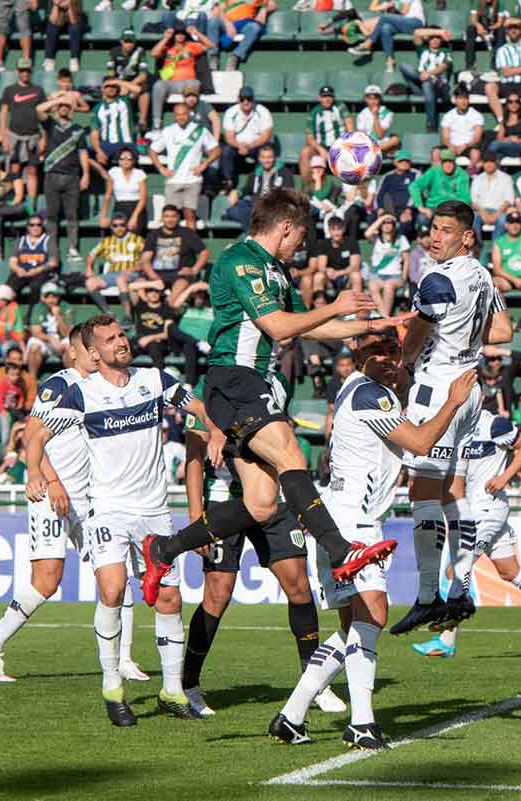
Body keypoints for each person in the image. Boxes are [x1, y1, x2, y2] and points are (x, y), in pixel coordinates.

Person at [142, 188, 406, 615]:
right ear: (286, 227)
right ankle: (341, 552)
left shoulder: (277, 272)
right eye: (301, 236)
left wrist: (374, 323)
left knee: (261, 503)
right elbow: (279, 327)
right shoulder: (240, 261)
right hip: (235, 378)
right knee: (291, 455)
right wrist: (334, 304)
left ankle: (163, 548)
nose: (303, 245)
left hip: (256, 384)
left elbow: (309, 327)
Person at [270, 334, 476, 749]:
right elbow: (419, 443)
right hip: (352, 521)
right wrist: (453, 401)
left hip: (342, 514)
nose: (384, 360)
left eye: (391, 353)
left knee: (353, 625)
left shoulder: (358, 388)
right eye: (373, 353)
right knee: (373, 614)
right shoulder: (371, 396)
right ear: (359, 356)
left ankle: (292, 716)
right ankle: (361, 723)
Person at [0, 328, 149, 685]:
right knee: (46, 582)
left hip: (90, 500)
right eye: (90, 351)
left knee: (116, 576)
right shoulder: (59, 385)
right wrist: (48, 479)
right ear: (75, 352)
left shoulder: (104, 387)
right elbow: (31, 435)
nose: (97, 357)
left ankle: (124, 658)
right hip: (52, 496)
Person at [180, 406, 344, 720]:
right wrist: (194, 518)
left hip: (276, 503)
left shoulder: (276, 384)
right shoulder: (206, 392)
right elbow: (195, 456)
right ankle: (189, 685)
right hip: (224, 499)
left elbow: (286, 449)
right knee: (217, 594)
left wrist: (302, 506)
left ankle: (314, 684)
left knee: (299, 587)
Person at [415, 407, 521, 660]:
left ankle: (446, 641)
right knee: (510, 571)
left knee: (456, 568)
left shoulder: (493, 424)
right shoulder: (454, 427)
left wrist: (504, 477)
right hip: (473, 509)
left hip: (488, 507)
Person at [37, 95, 93, 263]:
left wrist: (86, 174)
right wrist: (59, 100)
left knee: (72, 215)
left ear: (71, 110)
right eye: (61, 106)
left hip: (72, 177)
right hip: (52, 175)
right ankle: (52, 251)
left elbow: (83, 152)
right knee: (52, 216)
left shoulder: (78, 129)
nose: (63, 108)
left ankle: (73, 248)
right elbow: (39, 109)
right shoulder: (51, 124)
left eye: (67, 106)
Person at [149, 102, 221, 228]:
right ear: (174, 116)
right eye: (178, 115)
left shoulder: (200, 131)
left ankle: (190, 246)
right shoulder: (168, 131)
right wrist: (161, 168)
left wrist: (204, 164)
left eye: (183, 114)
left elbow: (216, 150)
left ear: (189, 114)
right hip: (173, 180)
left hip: (193, 180)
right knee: (170, 217)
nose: (181, 117)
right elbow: (152, 150)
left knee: (190, 215)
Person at [0, 58, 46, 202]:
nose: (25, 73)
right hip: (14, 136)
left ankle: (32, 205)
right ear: (17, 71)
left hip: (33, 136)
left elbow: (44, 115)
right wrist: (4, 138)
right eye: (22, 70)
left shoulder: (38, 90)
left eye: (27, 70)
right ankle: (13, 200)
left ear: (31, 72)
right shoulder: (9, 90)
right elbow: (3, 115)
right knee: (14, 170)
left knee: (32, 171)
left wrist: (44, 138)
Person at [218, 86, 274, 191]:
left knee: (264, 151)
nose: (246, 102)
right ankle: (228, 182)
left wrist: (249, 146)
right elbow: (229, 137)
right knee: (226, 151)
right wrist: (240, 146)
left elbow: (266, 136)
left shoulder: (262, 111)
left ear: (253, 99)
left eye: (249, 99)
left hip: (256, 145)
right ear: (238, 99)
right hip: (237, 145)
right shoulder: (231, 112)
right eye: (242, 99)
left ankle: (261, 182)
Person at [400, 30, 452, 133]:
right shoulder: (423, 50)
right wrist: (440, 32)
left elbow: (444, 66)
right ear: (428, 40)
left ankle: (431, 124)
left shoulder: (446, 51)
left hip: (437, 87)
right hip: (420, 85)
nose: (435, 40)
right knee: (404, 66)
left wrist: (429, 74)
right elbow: (416, 33)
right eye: (432, 38)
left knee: (427, 82)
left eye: (438, 38)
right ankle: (425, 80)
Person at [438, 85, 484, 170]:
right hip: (452, 146)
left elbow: (477, 138)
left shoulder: (476, 115)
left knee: (476, 153)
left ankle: (469, 176)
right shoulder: (448, 116)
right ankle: (437, 178)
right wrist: (451, 146)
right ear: (455, 99)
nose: (464, 101)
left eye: (466, 98)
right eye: (460, 98)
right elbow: (445, 138)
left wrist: (465, 145)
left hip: (469, 146)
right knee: (436, 153)